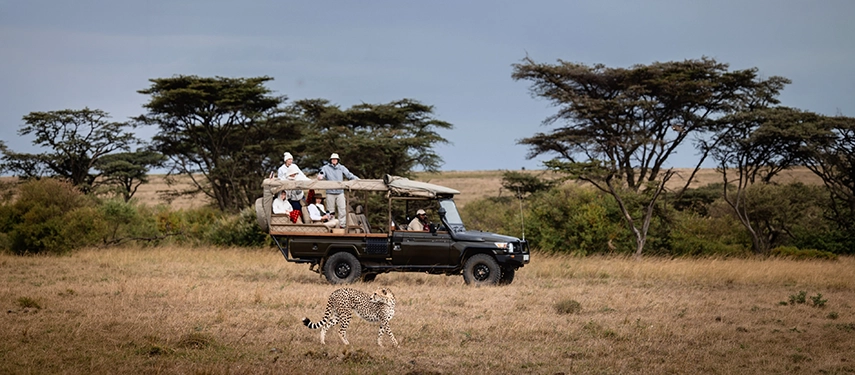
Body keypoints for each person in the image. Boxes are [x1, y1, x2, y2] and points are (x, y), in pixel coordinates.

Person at [318, 153, 359, 228]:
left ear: (338, 160)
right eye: (333, 159)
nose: (334, 160)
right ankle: (331, 224)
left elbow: (349, 175)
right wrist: (320, 176)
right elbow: (321, 174)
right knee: (330, 211)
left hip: (340, 192)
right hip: (330, 192)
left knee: (342, 209)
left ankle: (342, 225)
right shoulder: (325, 167)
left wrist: (358, 180)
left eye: (335, 159)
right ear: (330, 160)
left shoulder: (341, 167)